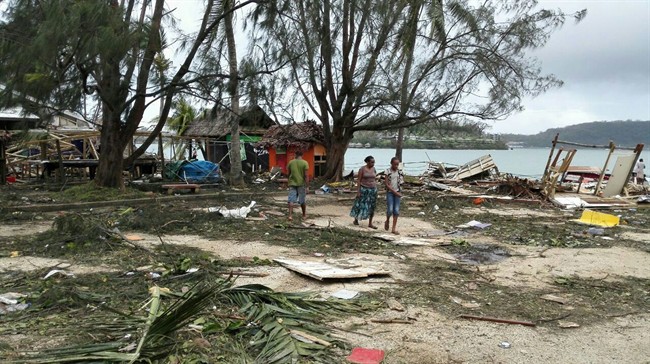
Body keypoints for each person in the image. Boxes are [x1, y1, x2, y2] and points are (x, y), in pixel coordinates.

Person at [350, 156, 378, 229]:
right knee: (360, 204)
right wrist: (358, 191)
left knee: (372, 206)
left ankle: (370, 223)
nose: (373, 163)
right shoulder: (362, 169)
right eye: (372, 162)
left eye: (374, 162)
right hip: (364, 189)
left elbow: (375, 178)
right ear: (367, 162)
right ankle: (356, 219)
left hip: (372, 189)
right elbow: (358, 180)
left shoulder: (374, 169)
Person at [287, 150, 309, 221]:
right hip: (301, 184)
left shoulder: (291, 162)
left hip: (292, 183)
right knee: (302, 200)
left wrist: (288, 181)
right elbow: (306, 176)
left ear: (295, 154)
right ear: (302, 155)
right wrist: (307, 186)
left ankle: (290, 216)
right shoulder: (305, 163)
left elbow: (289, 173)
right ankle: (304, 215)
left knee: (291, 200)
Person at [384, 156, 404, 235]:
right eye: (395, 164)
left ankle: (393, 228)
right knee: (390, 210)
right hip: (390, 192)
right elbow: (386, 184)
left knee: (396, 210)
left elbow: (402, 182)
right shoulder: (387, 171)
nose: (396, 166)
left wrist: (400, 191)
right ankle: (387, 220)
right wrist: (394, 192)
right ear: (391, 163)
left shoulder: (400, 172)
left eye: (397, 164)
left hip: (398, 192)